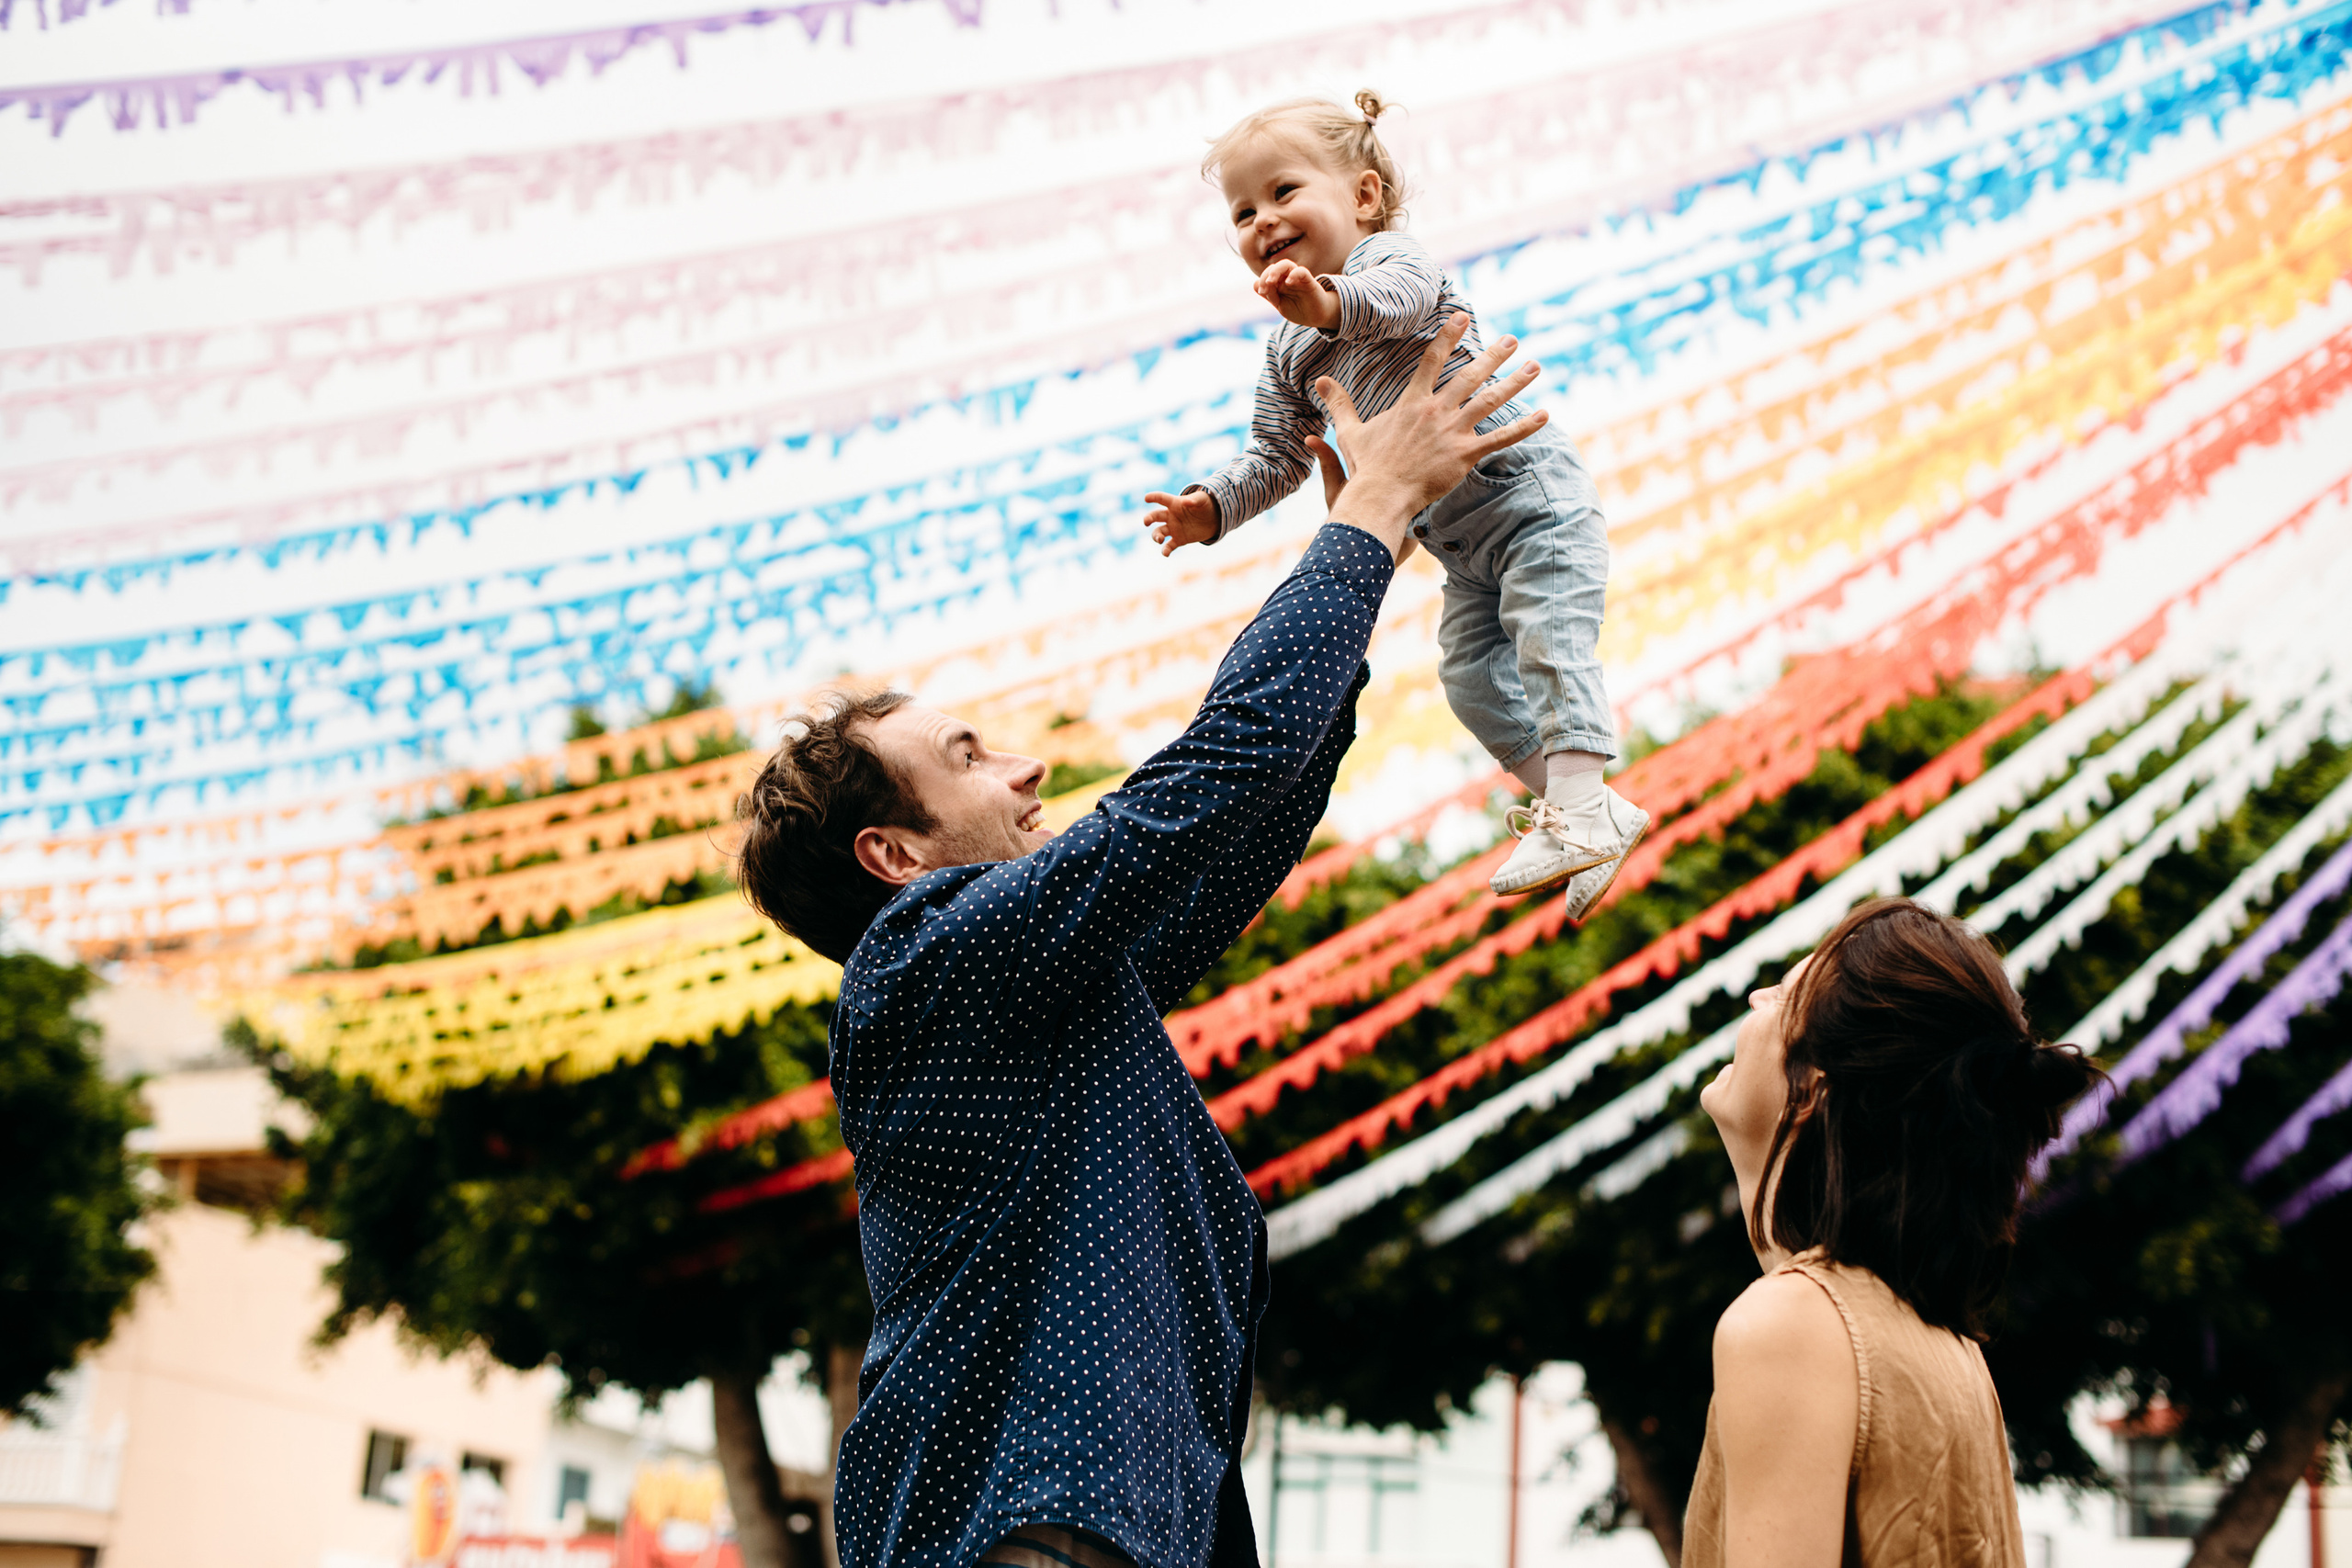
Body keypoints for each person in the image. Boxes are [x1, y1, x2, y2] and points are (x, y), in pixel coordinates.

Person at [732, 314, 1549, 1568]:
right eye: (967, 756)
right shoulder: (926, 960)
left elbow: (1238, 824)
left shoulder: (1039, 986)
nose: (1028, 764)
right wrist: (1366, 513)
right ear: (893, 857)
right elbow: (1204, 786)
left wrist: (1368, 559)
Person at [1141, 89, 1647, 920]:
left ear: (1365, 198)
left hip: (1530, 501)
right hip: (1457, 547)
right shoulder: (1288, 348)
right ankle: (1590, 812)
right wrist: (1212, 509)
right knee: (1470, 679)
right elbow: (1277, 455)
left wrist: (1328, 305)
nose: (1261, 220)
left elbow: (1397, 308)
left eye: (1283, 192)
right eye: (1241, 211)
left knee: (1550, 638)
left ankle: (1584, 801)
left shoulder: (1395, 263)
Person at [1688, 897, 2102, 1568]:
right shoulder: (1937, 1341)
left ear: (1813, 1087)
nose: (1756, 995)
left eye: (1785, 992)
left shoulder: (1792, 1327)